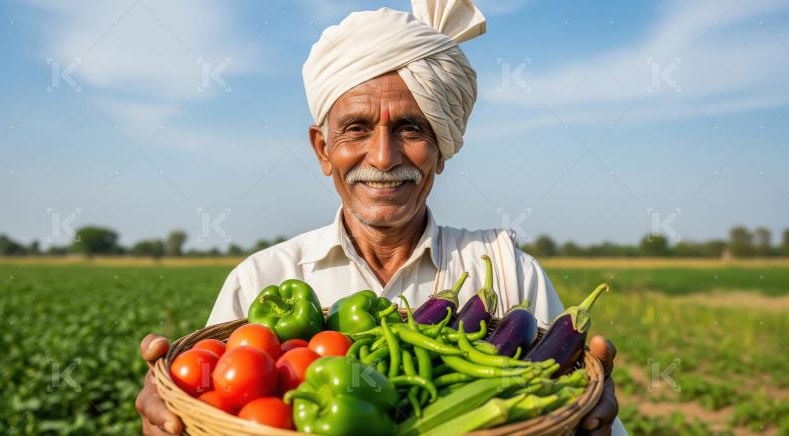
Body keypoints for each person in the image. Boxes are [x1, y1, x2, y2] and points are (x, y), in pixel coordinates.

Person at [136, 0, 625, 434]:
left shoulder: (506, 270)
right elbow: (217, 404)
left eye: (412, 128)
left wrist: (585, 411)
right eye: (356, 129)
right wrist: (177, 404)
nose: (384, 156)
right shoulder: (262, 278)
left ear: (441, 150)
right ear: (323, 150)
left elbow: (561, 397)